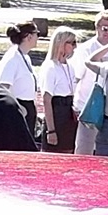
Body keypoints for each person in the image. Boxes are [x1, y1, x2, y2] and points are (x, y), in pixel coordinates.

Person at [71, 9, 108, 155]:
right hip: (89, 106)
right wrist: (75, 105)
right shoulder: (85, 49)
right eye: (105, 28)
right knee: (84, 151)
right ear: (97, 28)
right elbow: (76, 78)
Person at [38, 25, 77, 153]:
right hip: (56, 115)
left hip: (68, 116)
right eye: (72, 43)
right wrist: (51, 130)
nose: (75, 47)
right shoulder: (50, 67)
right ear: (61, 43)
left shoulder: (70, 66)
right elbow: (46, 100)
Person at [0, 21, 39, 134]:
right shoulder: (12, 58)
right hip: (19, 108)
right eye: (37, 34)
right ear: (29, 36)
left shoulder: (24, 57)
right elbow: (3, 88)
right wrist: (18, 108)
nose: (37, 38)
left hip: (27, 107)